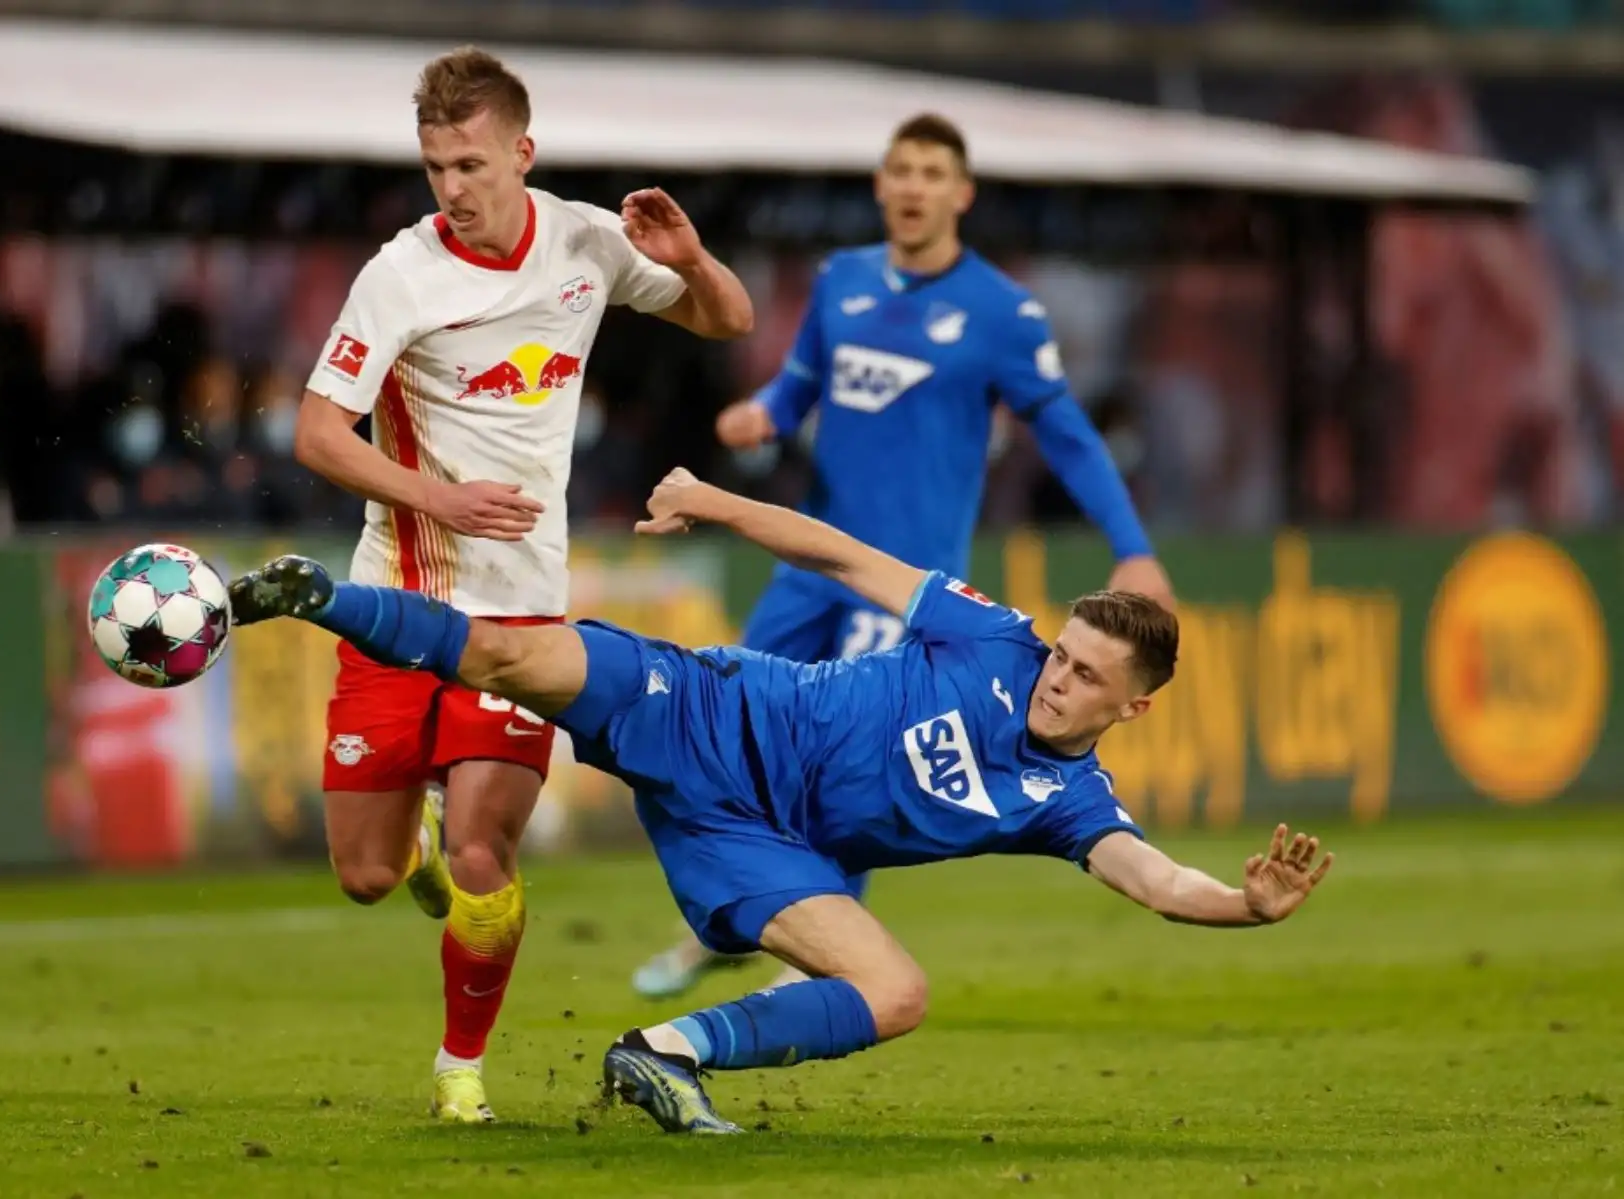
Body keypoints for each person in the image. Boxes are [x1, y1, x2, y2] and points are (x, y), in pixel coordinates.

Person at [224, 468, 1334, 1136]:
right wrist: (710, 501)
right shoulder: (994, 634)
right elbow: (842, 556)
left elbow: (1157, 879)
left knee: (897, 992)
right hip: (717, 708)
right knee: (517, 659)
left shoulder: (1070, 801)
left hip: (755, 841)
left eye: (1088, 677)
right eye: (1064, 653)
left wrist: (1248, 905)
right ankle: (321, 596)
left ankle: (664, 1051)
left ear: (1133, 708)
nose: (1059, 677)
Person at [288, 45, 753, 1123]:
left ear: (522, 153)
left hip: (525, 613)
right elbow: (317, 433)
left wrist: (692, 258)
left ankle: (460, 1068)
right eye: (435, 166)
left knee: (485, 849)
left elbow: (726, 320)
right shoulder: (401, 273)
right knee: (366, 874)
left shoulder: (585, 240)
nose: (452, 187)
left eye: (471, 164)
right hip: (400, 603)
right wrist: (436, 498)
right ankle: (410, 841)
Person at [632, 112, 1177, 999]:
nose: (914, 187)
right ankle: (737, 912)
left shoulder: (1000, 312)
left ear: (961, 193)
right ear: (881, 186)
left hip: (906, 590)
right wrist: (766, 411)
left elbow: (1066, 433)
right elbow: (802, 382)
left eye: (932, 173)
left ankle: (810, 963)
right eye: (901, 170)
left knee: (851, 761)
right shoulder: (841, 279)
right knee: (725, 718)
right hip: (811, 564)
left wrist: (1134, 547)